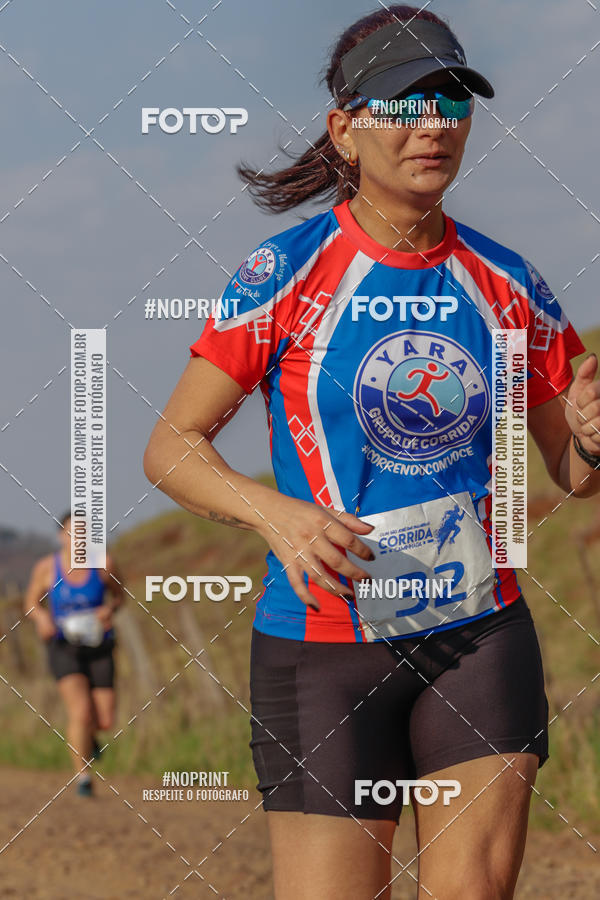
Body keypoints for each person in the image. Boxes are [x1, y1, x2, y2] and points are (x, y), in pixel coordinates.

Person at [143, 6, 600, 898]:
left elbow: (570, 476)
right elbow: (171, 447)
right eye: (404, 102)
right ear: (346, 129)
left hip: (477, 634)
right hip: (323, 644)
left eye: (450, 101)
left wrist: (590, 443)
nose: (432, 123)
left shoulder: (508, 282)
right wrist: (276, 516)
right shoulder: (285, 274)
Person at [25, 511, 124, 796]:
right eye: (71, 533)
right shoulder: (47, 568)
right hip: (63, 645)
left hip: (99, 644)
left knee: (103, 719)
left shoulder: (104, 564)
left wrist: (110, 609)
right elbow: (31, 603)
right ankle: (82, 776)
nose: (77, 538)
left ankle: (89, 740)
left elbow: (120, 596)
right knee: (80, 711)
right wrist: (42, 619)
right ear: (61, 536)